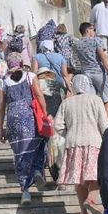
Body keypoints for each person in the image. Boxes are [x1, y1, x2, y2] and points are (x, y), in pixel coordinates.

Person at [55, 75, 108, 214]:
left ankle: (84, 213)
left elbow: (57, 125)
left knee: (79, 181)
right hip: (93, 142)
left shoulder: (66, 102)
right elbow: (104, 125)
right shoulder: (96, 100)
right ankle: (91, 200)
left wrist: (68, 133)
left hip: (73, 144)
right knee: (96, 176)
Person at [0, 55, 48, 205]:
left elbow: (1, 107)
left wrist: (1, 129)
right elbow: (39, 95)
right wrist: (44, 114)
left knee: (20, 154)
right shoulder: (30, 75)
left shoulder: (3, 81)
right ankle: (37, 170)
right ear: (21, 63)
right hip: (30, 116)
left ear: (8, 64)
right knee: (39, 143)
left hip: (13, 120)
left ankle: (25, 191)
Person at [35, 38, 70, 185]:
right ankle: (61, 176)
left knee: (45, 146)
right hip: (57, 117)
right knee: (58, 145)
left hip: (43, 118)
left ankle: (44, 172)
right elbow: (65, 78)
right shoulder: (57, 82)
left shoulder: (37, 83)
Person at [69, 22, 108, 109]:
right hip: (99, 73)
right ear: (87, 30)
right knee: (106, 100)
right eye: (93, 29)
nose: (94, 31)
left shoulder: (77, 44)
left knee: (91, 101)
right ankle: (106, 118)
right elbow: (103, 57)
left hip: (86, 74)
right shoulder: (96, 40)